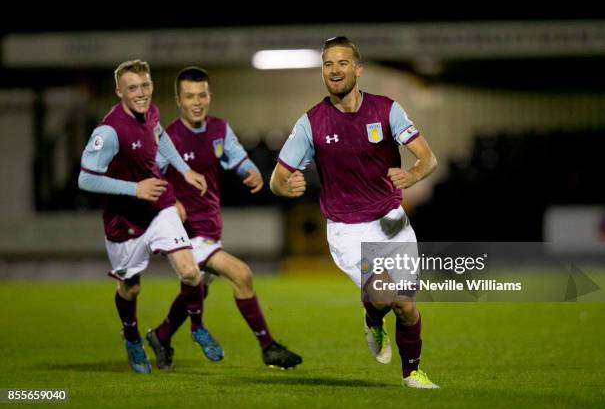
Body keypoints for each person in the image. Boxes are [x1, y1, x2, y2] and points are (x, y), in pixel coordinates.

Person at [270, 37, 439, 388]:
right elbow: (278, 178)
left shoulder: (387, 110)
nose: (335, 70)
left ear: (358, 68)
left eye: (343, 62)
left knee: (406, 307)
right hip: (348, 229)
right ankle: (373, 319)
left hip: (392, 223)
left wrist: (411, 175)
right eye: (328, 64)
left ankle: (413, 374)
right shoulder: (311, 124)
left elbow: (428, 158)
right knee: (382, 293)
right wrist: (285, 186)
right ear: (322, 70)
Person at [145, 66, 302, 370]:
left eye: (202, 94)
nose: (197, 101)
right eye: (189, 96)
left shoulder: (219, 129)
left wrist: (250, 171)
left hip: (210, 226)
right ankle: (268, 346)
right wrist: (171, 200)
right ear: (178, 99)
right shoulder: (170, 138)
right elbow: (150, 178)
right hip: (185, 233)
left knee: (198, 287)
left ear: (209, 96)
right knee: (241, 274)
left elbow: (236, 156)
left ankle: (161, 335)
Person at [78, 59, 208, 374]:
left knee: (191, 273)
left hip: (157, 206)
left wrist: (185, 170)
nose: (141, 93)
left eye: (145, 85)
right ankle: (133, 336)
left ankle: (191, 329)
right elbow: (85, 179)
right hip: (123, 217)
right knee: (131, 287)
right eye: (133, 88)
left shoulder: (151, 114)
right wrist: (134, 189)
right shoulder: (108, 131)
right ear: (119, 91)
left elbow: (161, 139)